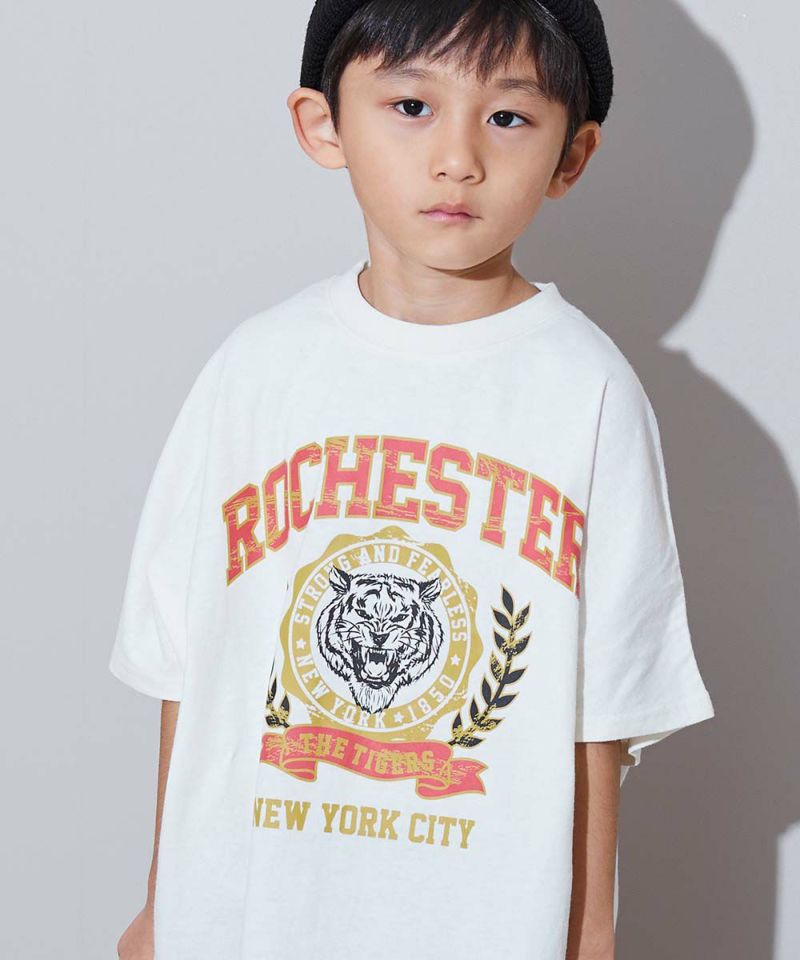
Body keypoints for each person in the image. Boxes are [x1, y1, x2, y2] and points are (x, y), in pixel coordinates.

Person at [110, 2, 716, 959]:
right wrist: (162, 901)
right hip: (247, 914)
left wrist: (591, 932)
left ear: (572, 155)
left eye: (507, 117)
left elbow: (609, 699)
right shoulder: (256, 369)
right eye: (410, 106)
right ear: (324, 125)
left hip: (481, 925)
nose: (457, 159)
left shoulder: (587, 392)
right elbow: (186, 657)